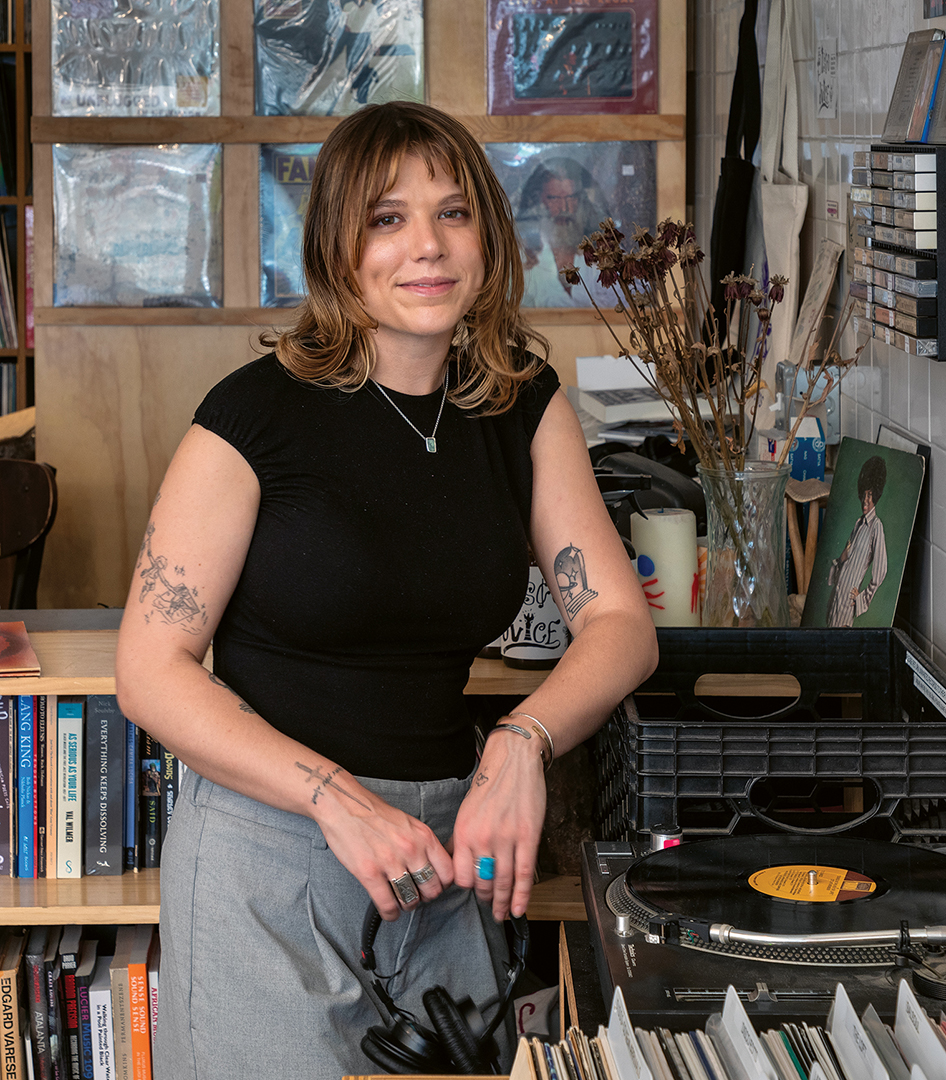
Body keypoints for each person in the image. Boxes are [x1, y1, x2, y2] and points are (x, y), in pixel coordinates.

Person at [115, 101, 657, 1080]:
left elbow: (620, 621)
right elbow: (151, 671)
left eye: (453, 213)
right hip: (270, 859)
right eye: (386, 219)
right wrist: (336, 799)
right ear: (337, 245)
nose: (428, 247)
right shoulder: (253, 416)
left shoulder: (521, 404)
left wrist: (522, 742)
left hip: (451, 858)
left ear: (488, 235)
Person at [514, 157, 613, 307]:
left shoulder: (604, 251)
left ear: (580, 199)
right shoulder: (520, 256)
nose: (564, 208)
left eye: (571, 197)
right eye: (554, 198)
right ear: (540, 200)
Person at [826, 455, 888, 628]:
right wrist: (840, 560)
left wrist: (861, 599)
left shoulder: (876, 527)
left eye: (870, 495)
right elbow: (846, 559)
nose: (865, 500)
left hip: (847, 604)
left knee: (839, 641)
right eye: (863, 494)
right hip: (836, 597)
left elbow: (880, 572)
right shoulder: (858, 523)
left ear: (876, 496)